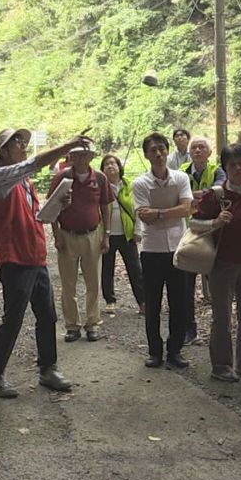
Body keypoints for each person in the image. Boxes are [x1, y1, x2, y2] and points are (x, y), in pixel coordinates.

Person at [0, 127, 89, 398]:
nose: (22, 146)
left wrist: (59, 205)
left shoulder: (25, 183)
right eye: (17, 142)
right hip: (15, 259)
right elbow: (34, 162)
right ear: (3, 152)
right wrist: (67, 145)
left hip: (35, 256)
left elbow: (38, 217)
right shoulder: (1, 177)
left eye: (22, 142)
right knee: (13, 318)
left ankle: (48, 369)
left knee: (47, 314)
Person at [191, 144, 241, 382]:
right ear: (225, 167)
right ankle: (221, 365)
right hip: (222, 263)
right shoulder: (215, 195)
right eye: (233, 164)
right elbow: (194, 225)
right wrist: (215, 222)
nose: (239, 168)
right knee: (222, 316)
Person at [132, 133, 194, 369]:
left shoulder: (180, 178)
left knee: (179, 302)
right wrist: (171, 210)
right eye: (153, 150)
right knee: (153, 303)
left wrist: (158, 212)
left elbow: (186, 209)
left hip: (178, 248)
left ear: (167, 151)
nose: (158, 154)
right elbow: (144, 216)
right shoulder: (140, 183)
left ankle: (175, 350)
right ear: (147, 155)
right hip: (152, 249)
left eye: (161, 149)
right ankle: (154, 351)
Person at [49, 146, 113, 343]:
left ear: (91, 157)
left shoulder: (100, 178)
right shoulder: (62, 178)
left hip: (92, 234)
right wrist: (56, 234)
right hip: (67, 234)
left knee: (93, 281)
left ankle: (92, 323)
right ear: (70, 157)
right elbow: (52, 205)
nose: (80, 159)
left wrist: (106, 235)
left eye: (84, 155)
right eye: (76, 155)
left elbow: (106, 206)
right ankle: (72, 326)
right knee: (68, 283)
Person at [180, 136, 225, 343]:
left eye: (202, 147)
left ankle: (219, 329)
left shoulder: (217, 170)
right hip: (187, 232)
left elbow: (219, 191)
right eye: (194, 148)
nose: (198, 150)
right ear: (189, 152)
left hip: (212, 231)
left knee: (216, 284)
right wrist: (201, 195)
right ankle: (190, 329)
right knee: (186, 285)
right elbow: (176, 195)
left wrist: (192, 196)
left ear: (209, 151)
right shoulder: (182, 172)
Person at [100, 154, 146, 316]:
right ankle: (110, 300)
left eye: (113, 163)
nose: (110, 166)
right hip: (107, 234)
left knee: (135, 268)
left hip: (127, 234)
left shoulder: (129, 187)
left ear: (119, 167)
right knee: (107, 268)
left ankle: (142, 301)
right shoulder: (101, 187)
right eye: (106, 164)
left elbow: (137, 209)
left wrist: (138, 230)